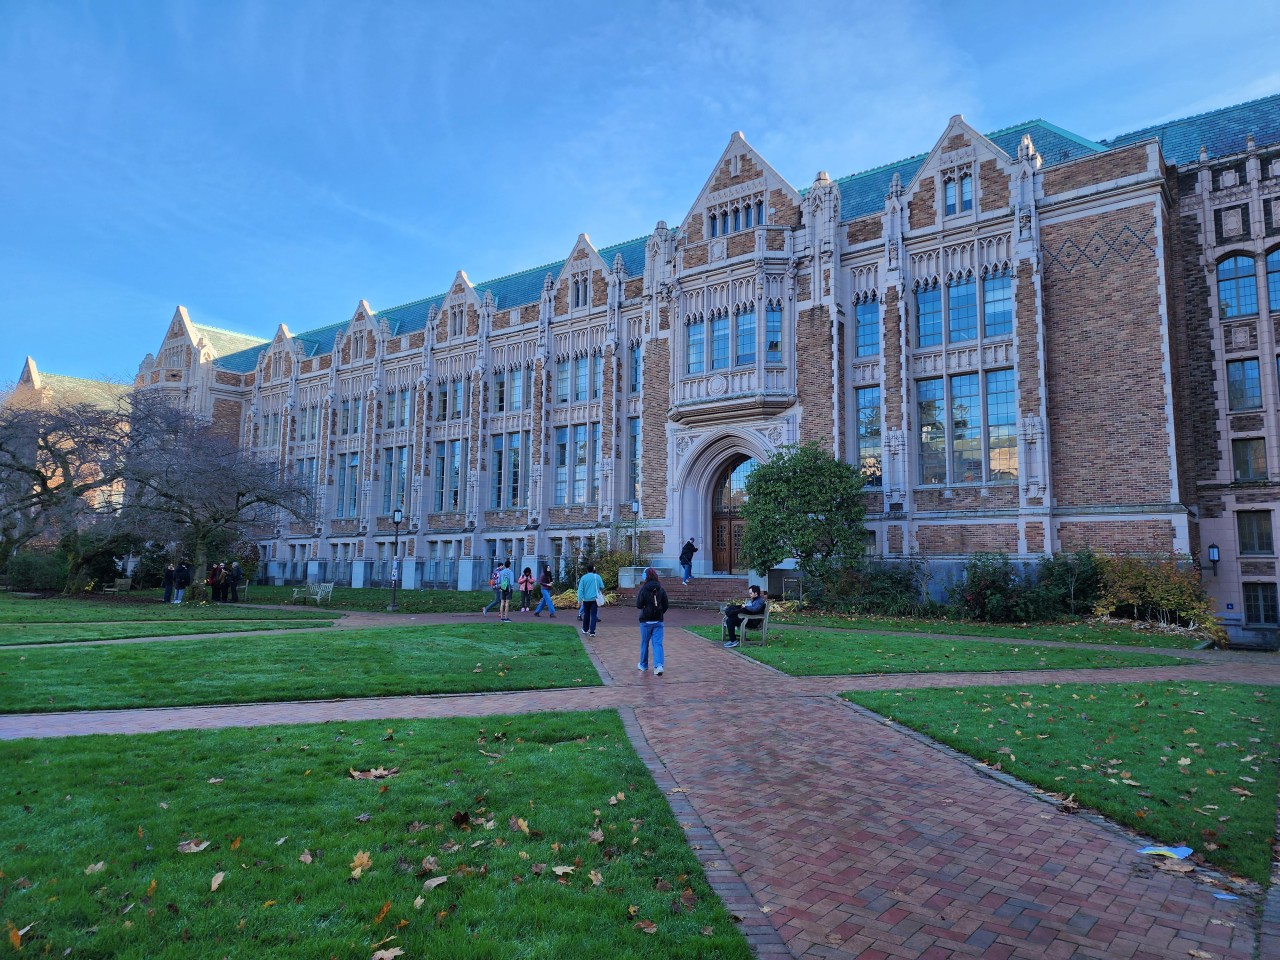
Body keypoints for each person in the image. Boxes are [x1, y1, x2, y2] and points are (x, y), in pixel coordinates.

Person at [634, 567, 669, 676]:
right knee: (658, 643)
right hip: (658, 620)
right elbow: (666, 604)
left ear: (646, 576)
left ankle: (643, 665)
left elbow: (639, 605)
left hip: (646, 621)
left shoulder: (644, 589)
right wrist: (660, 612)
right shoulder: (661, 589)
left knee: (645, 643)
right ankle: (659, 665)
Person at [576, 564, 605, 637]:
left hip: (586, 599)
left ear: (587, 569)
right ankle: (592, 631)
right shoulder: (597, 577)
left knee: (586, 614)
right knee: (594, 615)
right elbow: (602, 586)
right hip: (595, 599)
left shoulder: (583, 578)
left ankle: (585, 629)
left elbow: (580, 589)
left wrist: (579, 599)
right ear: (593, 569)